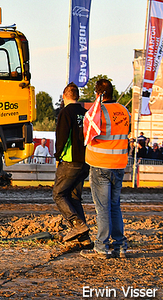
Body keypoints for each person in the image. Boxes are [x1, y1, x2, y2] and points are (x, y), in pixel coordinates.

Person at [81, 78, 130, 260]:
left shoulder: (97, 112)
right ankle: (120, 246)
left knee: (102, 208)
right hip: (119, 165)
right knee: (115, 206)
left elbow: (86, 135)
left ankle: (101, 247)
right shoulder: (124, 111)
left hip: (100, 165)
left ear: (97, 93)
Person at [52, 82, 90, 244]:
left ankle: (77, 224)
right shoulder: (86, 113)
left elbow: (62, 136)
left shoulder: (65, 113)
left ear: (64, 96)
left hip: (70, 161)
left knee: (59, 194)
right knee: (74, 198)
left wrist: (58, 156)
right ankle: (85, 239)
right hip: (85, 162)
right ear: (78, 97)